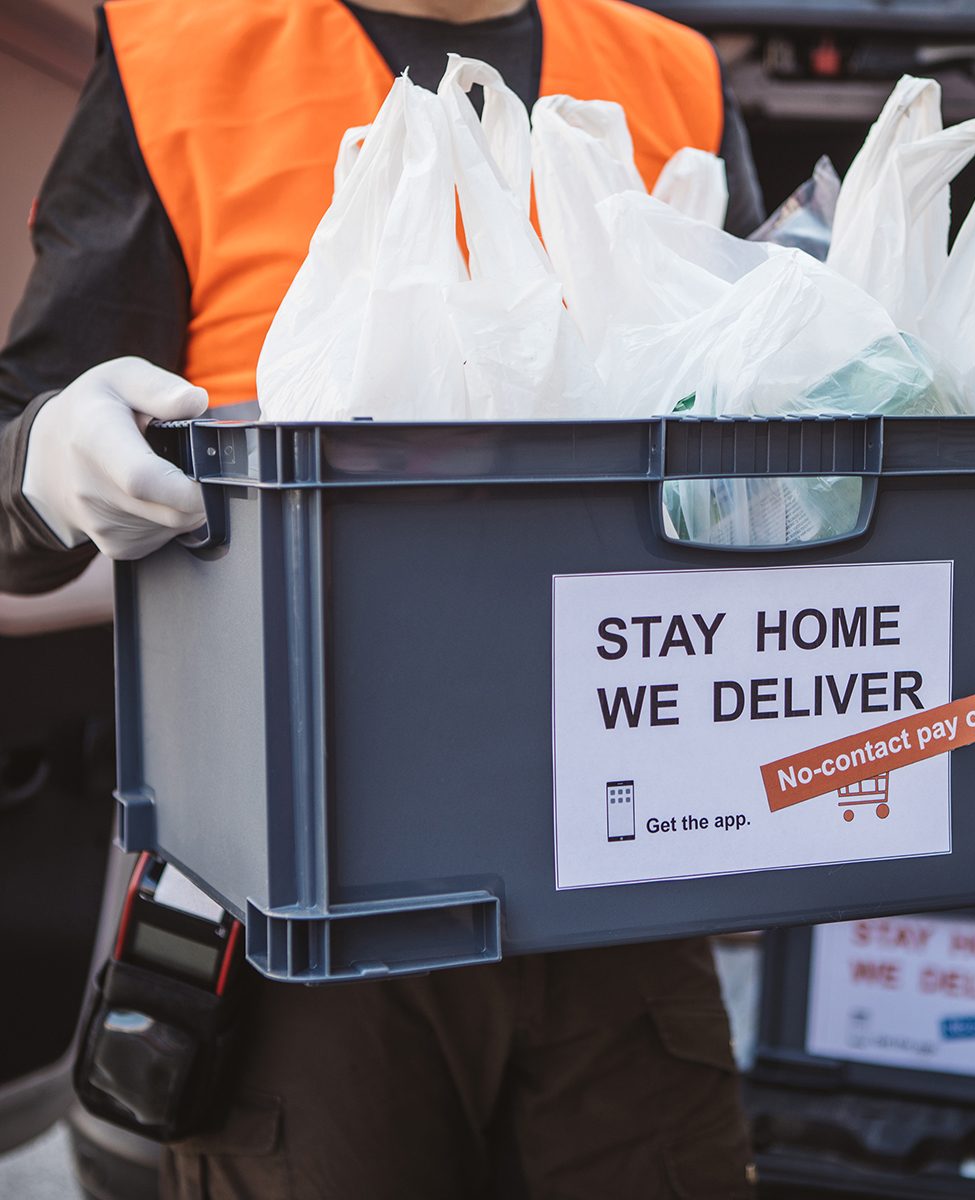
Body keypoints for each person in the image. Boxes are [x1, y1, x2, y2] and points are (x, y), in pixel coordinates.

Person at [0, 1, 765, 1195]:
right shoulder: (179, 47)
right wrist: (42, 459)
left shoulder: (669, 69)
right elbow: (25, 511)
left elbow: (763, 424)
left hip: (623, 891)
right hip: (301, 924)